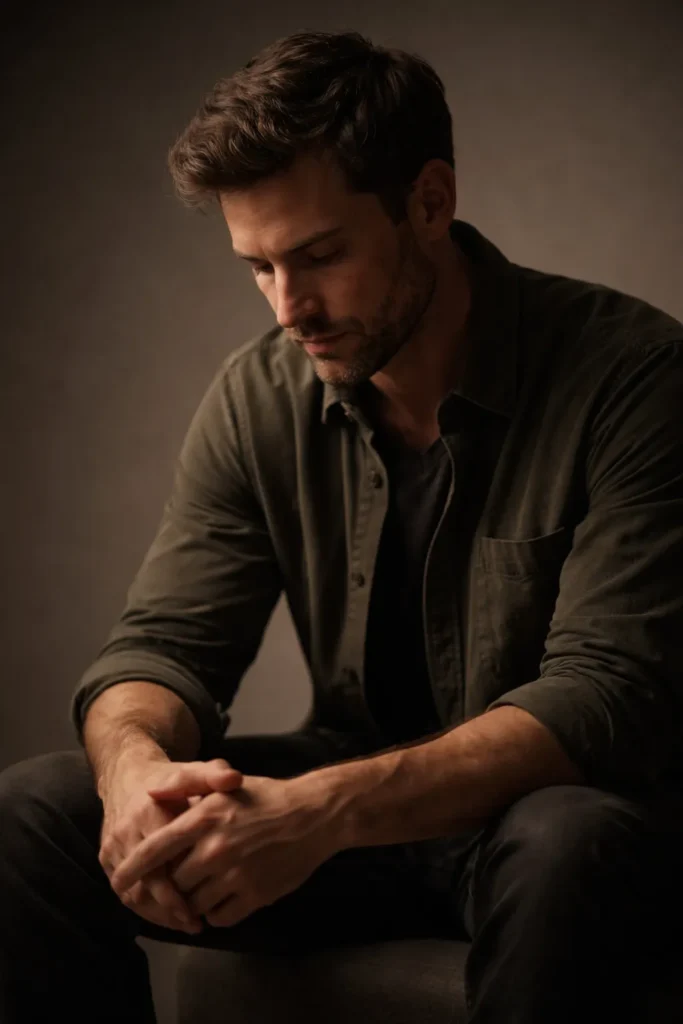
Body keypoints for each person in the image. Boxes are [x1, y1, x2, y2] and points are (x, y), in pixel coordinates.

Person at [2, 28, 683, 1024]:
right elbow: (164, 644)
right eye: (258, 267)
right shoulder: (257, 396)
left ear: (429, 203)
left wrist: (320, 812)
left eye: (319, 256)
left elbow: (602, 698)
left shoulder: (635, 378)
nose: (289, 308)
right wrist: (133, 768)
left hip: (545, 821)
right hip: (349, 823)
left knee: (568, 840)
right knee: (34, 810)